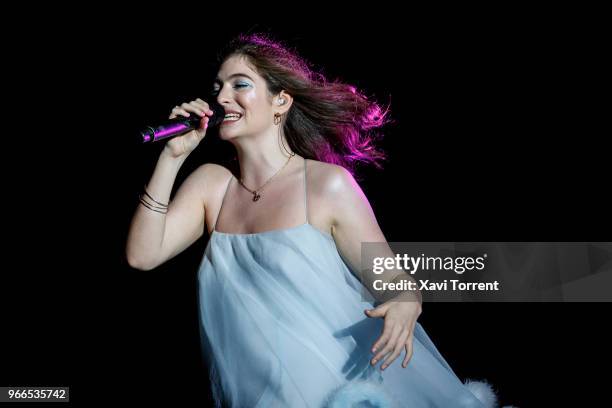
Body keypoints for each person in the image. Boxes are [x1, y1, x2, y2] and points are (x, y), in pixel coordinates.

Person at [126, 34, 500, 407]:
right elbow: (143, 255)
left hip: (338, 388)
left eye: (240, 84)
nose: (221, 98)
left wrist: (406, 300)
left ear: (281, 101)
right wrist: (172, 157)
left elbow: (393, 278)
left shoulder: (324, 184)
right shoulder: (213, 186)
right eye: (218, 87)